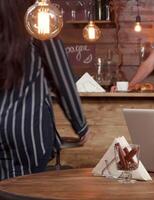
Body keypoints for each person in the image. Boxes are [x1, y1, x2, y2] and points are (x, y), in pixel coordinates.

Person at [0, 0, 90, 180]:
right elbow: (61, 78)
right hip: (27, 131)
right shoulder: (39, 20)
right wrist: (81, 125)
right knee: (24, 190)